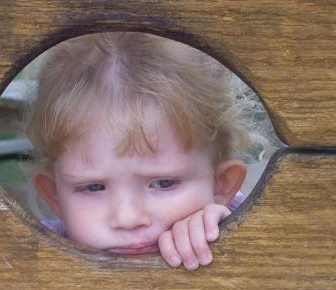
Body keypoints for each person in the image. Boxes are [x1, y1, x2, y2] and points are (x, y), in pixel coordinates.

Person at [23, 32, 275, 270]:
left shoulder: (235, 232)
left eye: (164, 183)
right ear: (54, 194)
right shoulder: (27, 260)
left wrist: (227, 228)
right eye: (93, 187)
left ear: (221, 185)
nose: (128, 218)